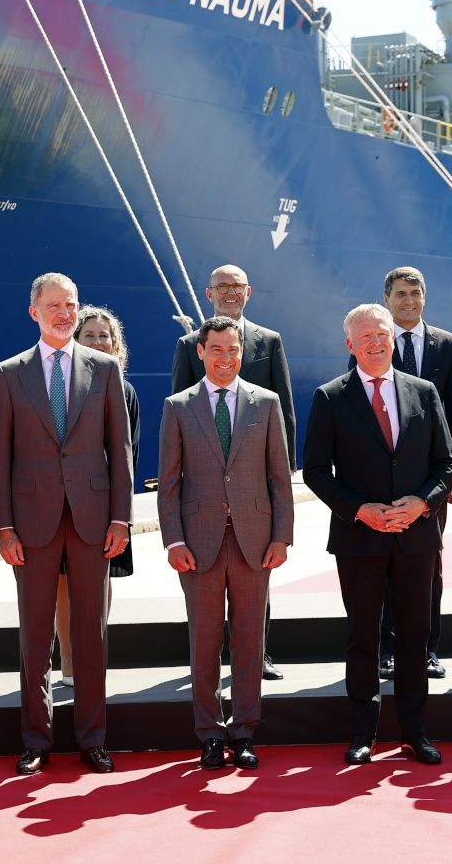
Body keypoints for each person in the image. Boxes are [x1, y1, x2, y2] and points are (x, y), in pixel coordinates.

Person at [0, 273, 131, 776]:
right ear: (34, 312)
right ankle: (35, 740)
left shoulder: (105, 368)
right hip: (31, 523)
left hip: (94, 521)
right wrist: (3, 527)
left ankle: (93, 738)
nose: (64, 313)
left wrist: (121, 519)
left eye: (71, 304)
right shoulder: (9, 373)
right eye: (54, 305)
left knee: (90, 635)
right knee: (34, 637)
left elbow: (121, 448)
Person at [301, 304, 452, 766]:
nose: (375, 342)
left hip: (416, 536)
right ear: (350, 344)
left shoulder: (424, 392)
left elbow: (447, 464)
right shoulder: (330, 397)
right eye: (365, 336)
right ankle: (363, 734)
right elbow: (314, 471)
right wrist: (359, 510)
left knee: (415, 635)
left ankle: (415, 732)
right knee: (363, 637)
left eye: (382, 334)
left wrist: (423, 502)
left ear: (393, 339)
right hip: (359, 538)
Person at [158, 316, 292, 770]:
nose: (225, 358)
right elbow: (170, 484)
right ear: (201, 352)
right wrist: (173, 540)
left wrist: (282, 536)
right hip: (198, 544)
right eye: (216, 349)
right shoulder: (178, 407)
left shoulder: (266, 403)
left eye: (232, 350)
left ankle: (245, 731)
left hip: (255, 542)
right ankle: (210, 733)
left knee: (251, 641)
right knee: (205, 640)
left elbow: (279, 478)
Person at [170, 263, 294, 680]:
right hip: (206, 494)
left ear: (249, 291)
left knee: (257, 582)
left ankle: (259, 655)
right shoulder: (190, 344)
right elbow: (181, 413)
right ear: (209, 294)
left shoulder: (269, 341)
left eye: (237, 286)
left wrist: (283, 480)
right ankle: (207, 661)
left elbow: (284, 414)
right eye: (222, 286)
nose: (230, 292)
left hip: (253, 485)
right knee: (206, 588)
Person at [357, 267, 452, 681]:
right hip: (378, 477)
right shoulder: (370, 342)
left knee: (428, 568)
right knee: (383, 565)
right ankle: (387, 650)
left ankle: (426, 650)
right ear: (386, 298)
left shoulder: (446, 344)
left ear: (425, 296)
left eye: (415, 293)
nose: (408, 301)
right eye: (400, 294)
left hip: (431, 480)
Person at [52, 305, 138, 688]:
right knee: (62, 583)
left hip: (104, 503)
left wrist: (120, 509)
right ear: (75, 339)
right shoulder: (58, 380)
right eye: (90, 335)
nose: (98, 341)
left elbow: (127, 453)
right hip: (59, 501)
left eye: (105, 336)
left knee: (100, 582)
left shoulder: (125, 389)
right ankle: (69, 662)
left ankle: (94, 659)